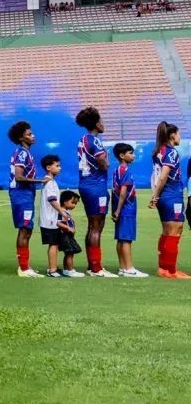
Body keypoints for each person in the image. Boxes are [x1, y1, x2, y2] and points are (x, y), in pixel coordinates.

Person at [75, 107, 114, 277]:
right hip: (96, 185)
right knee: (97, 226)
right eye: (102, 121)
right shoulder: (95, 141)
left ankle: (92, 265)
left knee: (92, 226)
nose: (103, 124)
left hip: (85, 184)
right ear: (97, 124)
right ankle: (96, 268)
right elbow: (103, 164)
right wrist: (107, 159)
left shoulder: (82, 139)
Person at [149, 121, 188, 278]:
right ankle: (171, 270)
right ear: (172, 135)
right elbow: (164, 175)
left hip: (165, 196)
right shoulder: (171, 152)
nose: (180, 137)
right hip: (171, 195)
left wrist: (156, 195)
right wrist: (155, 195)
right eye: (179, 134)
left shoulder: (159, 151)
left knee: (167, 231)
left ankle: (163, 268)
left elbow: (155, 175)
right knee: (175, 230)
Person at [7, 121, 45, 278]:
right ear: (21, 138)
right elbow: (19, 176)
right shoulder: (22, 153)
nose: (33, 136)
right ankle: (23, 268)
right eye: (29, 134)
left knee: (27, 229)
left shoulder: (25, 152)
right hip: (21, 194)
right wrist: (40, 181)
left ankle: (25, 265)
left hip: (25, 194)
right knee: (25, 229)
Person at [111, 143, 146, 277]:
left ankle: (122, 267)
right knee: (126, 239)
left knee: (121, 238)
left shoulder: (117, 170)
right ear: (122, 156)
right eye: (131, 153)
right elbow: (123, 192)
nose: (133, 155)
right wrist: (119, 210)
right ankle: (129, 268)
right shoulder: (125, 171)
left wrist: (115, 210)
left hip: (120, 208)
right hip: (126, 208)